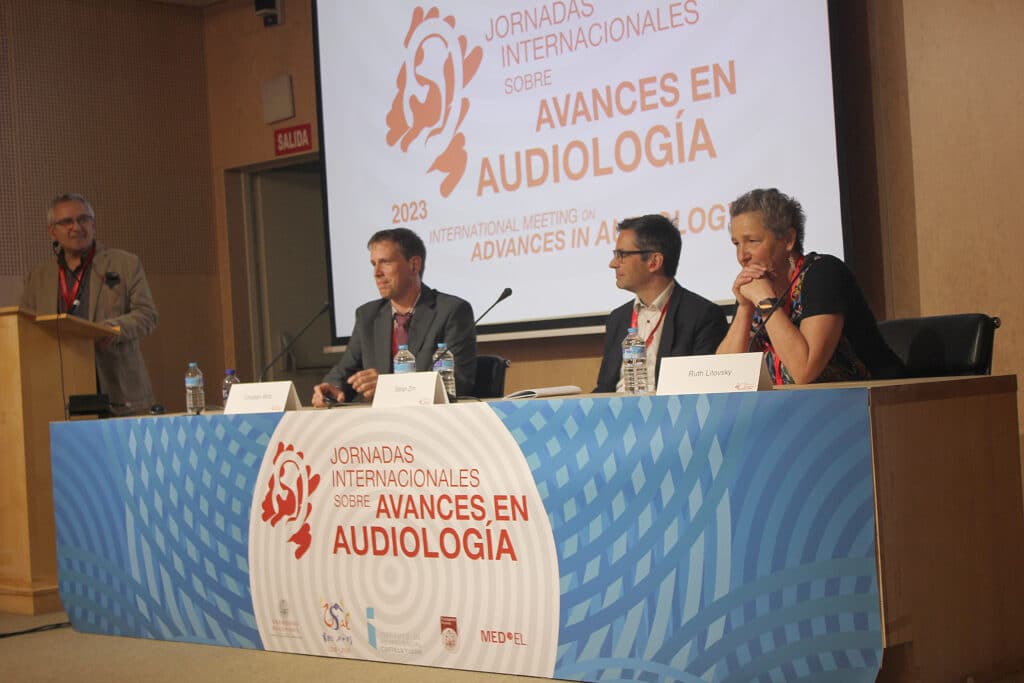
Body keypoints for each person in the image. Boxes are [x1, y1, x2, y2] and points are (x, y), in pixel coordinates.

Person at [716, 188, 903, 383]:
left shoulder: (822, 273)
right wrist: (745, 308)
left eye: (752, 241)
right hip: (798, 407)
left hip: (878, 403)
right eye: (736, 243)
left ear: (788, 239)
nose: (742, 256)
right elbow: (723, 376)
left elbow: (803, 371)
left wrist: (765, 302)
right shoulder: (755, 288)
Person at [20, 193, 159, 415]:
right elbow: (25, 327)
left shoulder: (124, 263)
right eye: (66, 222)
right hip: (59, 389)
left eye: (83, 219)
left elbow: (147, 315)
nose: (76, 227)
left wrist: (115, 328)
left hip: (118, 388)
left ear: (93, 224)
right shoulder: (38, 277)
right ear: (52, 231)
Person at [312, 228, 477, 405]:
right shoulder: (367, 316)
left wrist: (388, 388)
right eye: (373, 264)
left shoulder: (451, 311)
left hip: (433, 423)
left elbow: (457, 382)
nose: (377, 273)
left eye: (385, 262)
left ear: (414, 265)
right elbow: (345, 372)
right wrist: (331, 389)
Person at [595, 214, 728, 393]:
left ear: (654, 262)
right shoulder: (617, 319)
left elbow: (702, 393)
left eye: (622, 255)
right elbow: (604, 389)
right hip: (615, 415)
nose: (613, 264)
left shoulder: (701, 316)